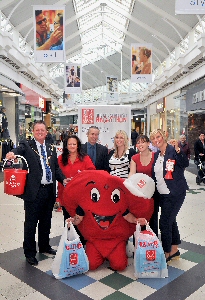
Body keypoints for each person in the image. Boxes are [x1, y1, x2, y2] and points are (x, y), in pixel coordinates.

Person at [5, 121, 69, 266]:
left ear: (46, 132)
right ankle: (29, 253)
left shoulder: (51, 147)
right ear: (33, 132)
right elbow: (18, 150)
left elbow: (56, 168)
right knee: (31, 223)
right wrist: (11, 153)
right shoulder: (26, 146)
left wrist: (63, 179)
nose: (40, 132)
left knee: (46, 221)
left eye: (42, 130)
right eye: (37, 130)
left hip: (49, 190)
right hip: (34, 192)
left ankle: (44, 246)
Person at [150, 129, 189, 262]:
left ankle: (167, 252)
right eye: (154, 138)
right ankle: (174, 248)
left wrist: (178, 149)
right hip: (162, 195)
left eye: (158, 136)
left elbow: (185, 163)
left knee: (165, 222)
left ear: (163, 137)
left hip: (174, 193)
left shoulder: (172, 150)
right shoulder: (156, 155)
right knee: (171, 220)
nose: (157, 140)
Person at [58, 135, 96, 244]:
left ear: (78, 145)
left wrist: (80, 177)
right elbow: (57, 173)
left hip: (81, 198)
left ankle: (83, 246)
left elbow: (92, 173)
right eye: (69, 144)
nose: (72, 146)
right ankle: (70, 246)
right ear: (66, 146)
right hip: (66, 196)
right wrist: (64, 180)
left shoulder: (85, 158)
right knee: (68, 221)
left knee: (82, 222)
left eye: (74, 144)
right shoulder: (61, 159)